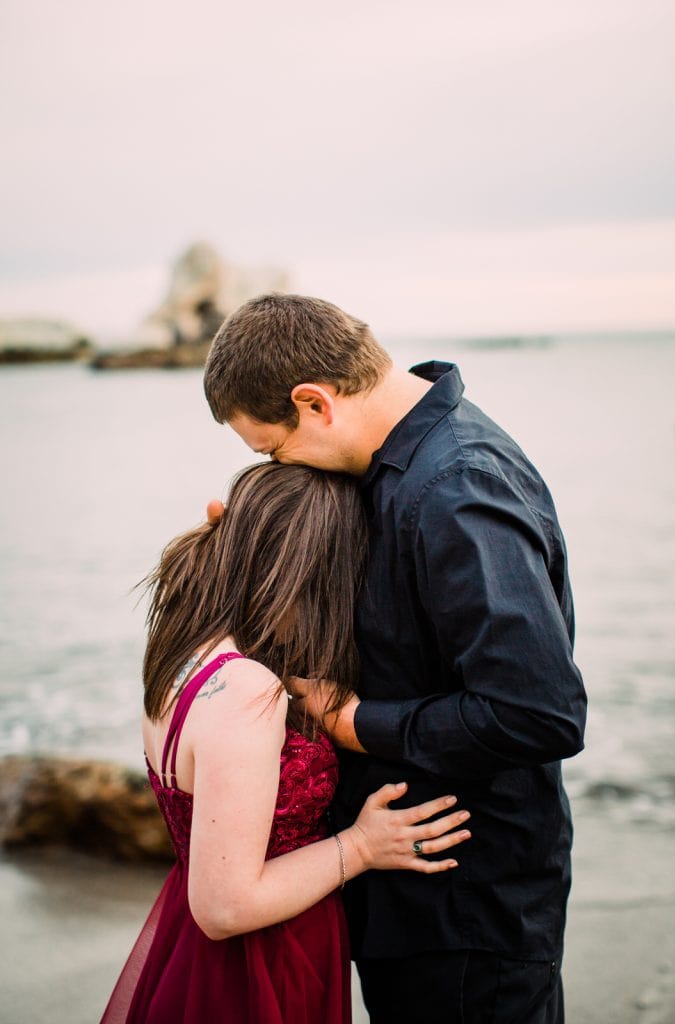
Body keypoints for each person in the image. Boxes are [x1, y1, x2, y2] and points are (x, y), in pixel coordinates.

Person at [203, 294, 588, 1024]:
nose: (281, 469)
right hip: (405, 890)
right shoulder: (393, 467)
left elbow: (538, 715)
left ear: (314, 403)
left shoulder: (454, 488)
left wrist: (354, 725)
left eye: (272, 451)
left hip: (463, 902)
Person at [100, 462, 471, 1024]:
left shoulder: (182, 647)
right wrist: (363, 847)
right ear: (309, 574)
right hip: (257, 961)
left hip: (201, 943)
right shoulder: (246, 690)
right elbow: (225, 907)